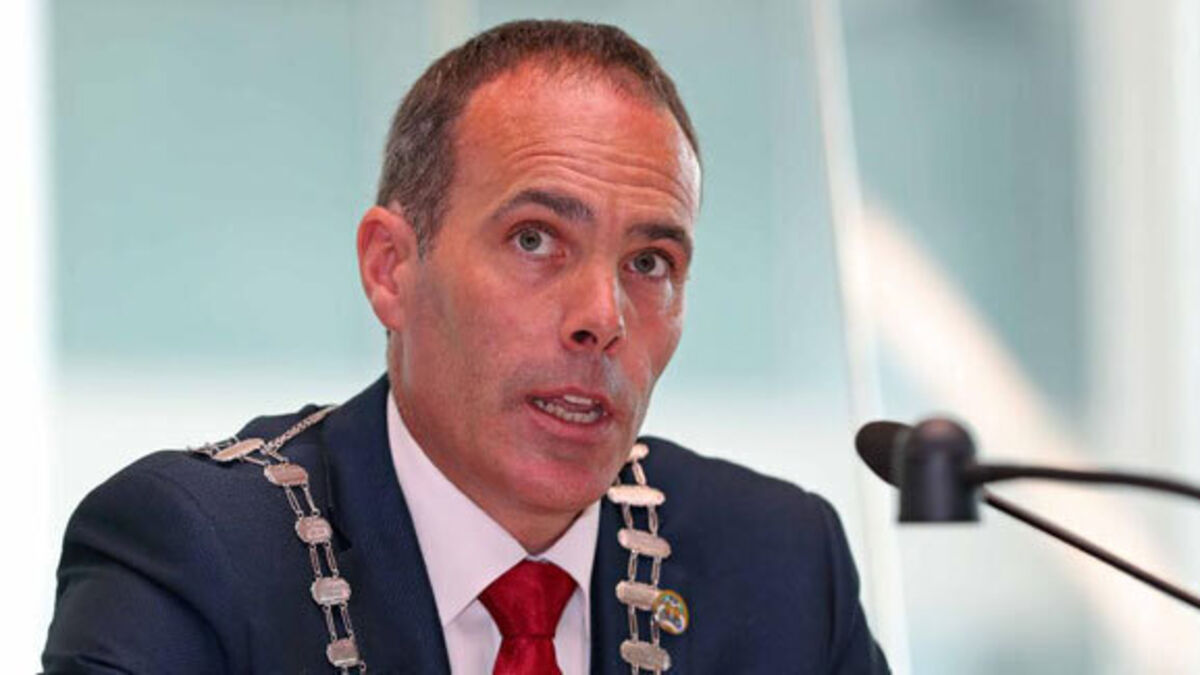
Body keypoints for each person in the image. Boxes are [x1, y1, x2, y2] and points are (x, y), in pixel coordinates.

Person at [42, 19, 889, 675]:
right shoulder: (194, 551)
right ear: (391, 269)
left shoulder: (781, 565)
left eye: (649, 262)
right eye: (535, 239)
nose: (602, 316)